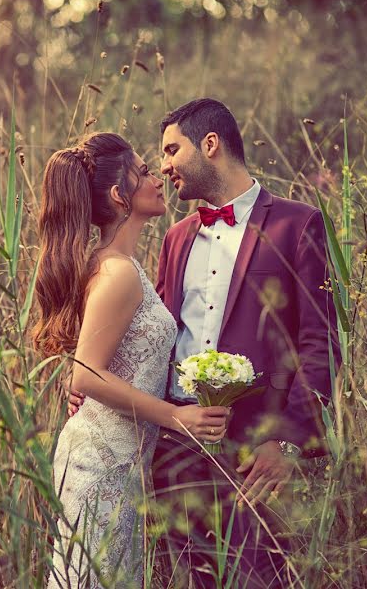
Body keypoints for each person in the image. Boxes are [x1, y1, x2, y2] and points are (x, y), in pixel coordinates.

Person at [69, 100, 341, 587]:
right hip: (177, 448)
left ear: (210, 145)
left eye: (172, 150)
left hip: (257, 453)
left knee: (261, 578)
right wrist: (92, 382)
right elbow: (156, 334)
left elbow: (319, 343)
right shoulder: (175, 237)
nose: (165, 165)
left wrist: (286, 442)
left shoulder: (297, 225)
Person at [32, 132, 232, 588]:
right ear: (120, 195)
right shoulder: (117, 272)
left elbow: (102, 364)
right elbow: (85, 372)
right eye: (143, 171)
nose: (157, 176)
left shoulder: (117, 265)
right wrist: (178, 418)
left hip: (119, 461)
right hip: (101, 463)